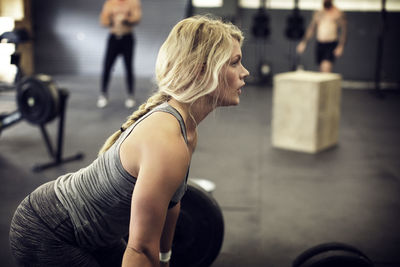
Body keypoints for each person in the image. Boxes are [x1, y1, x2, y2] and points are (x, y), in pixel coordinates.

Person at [9, 15, 249, 267]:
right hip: (49, 230)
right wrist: (154, 258)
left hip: (94, 232)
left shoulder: (186, 128)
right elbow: (141, 249)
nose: (245, 72)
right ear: (203, 69)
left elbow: (172, 204)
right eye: (235, 63)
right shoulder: (166, 140)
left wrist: (165, 258)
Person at [97, 0, 142, 109]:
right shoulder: (110, 3)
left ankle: (130, 95)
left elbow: (137, 17)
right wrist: (112, 19)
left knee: (128, 67)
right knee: (107, 66)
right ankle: (103, 94)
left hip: (127, 38)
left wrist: (126, 19)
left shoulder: (133, 2)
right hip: (113, 38)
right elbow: (103, 20)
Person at [296, 0, 347, 73]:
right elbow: (312, 29)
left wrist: (340, 46)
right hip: (320, 43)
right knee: (321, 69)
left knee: (326, 67)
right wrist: (304, 42)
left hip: (330, 44)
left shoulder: (337, 13)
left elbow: (343, 31)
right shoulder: (319, 12)